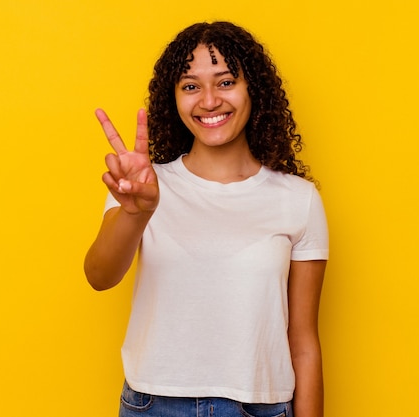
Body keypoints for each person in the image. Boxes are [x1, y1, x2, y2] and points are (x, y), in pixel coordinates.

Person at [84, 21, 328, 417]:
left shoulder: (298, 200)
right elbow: (99, 276)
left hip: (261, 408)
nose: (209, 100)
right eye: (191, 86)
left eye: (226, 81)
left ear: (255, 91)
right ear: (174, 98)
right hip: (154, 405)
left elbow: (303, 342)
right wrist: (136, 214)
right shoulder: (144, 185)